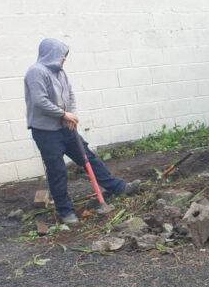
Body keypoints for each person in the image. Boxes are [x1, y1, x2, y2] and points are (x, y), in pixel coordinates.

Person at [24, 38, 140, 226]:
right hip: (45, 132)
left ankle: (118, 188)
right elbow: (39, 101)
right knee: (57, 170)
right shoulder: (36, 72)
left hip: (65, 128)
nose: (64, 59)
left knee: (88, 157)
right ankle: (66, 212)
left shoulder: (61, 73)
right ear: (51, 53)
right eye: (62, 55)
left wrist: (72, 117)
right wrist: (63, 114)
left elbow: (70, 96)